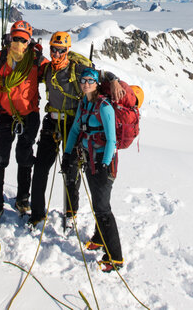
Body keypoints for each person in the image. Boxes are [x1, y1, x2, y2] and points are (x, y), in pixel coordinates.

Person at [28, 31, 92, 227]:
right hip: (52, 121)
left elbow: (99, 79)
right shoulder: (47, 69)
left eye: (60, 51)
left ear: (67, 50)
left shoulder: (78, 70)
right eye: (53, 50)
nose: (56, 54)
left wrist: (114, 81)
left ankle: (71, 214)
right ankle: (37, 213)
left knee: (71, 170)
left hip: (73, 123)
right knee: (40, 169)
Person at [0, 20, 47, 222]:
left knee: (25, 158)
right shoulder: (0, 58)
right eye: (15, 38)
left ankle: (23, 199)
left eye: (23, 39)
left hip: (29, 115)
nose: (18, 43)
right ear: (9, 37)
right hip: (5, 113)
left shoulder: (36, 60)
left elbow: (55, 73)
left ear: (29, 41)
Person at [65, 67, 124, 272]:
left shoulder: (104, 106)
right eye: (83, 80)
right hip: (90, 160)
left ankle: (115, 257)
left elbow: (112, 140)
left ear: (97, 83)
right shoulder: (84, 104)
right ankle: (99, 239)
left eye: (90, 80)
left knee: (103, 208)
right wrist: (67, 154)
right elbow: (74, 130)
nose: (86, 83)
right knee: (98, 203)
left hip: (103, 163)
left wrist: (104, 164)